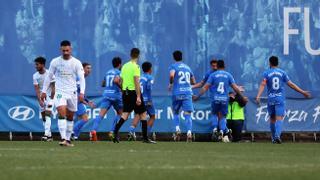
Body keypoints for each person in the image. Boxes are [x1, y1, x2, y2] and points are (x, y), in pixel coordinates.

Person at [256, 56, 310, 144]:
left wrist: (258, 96)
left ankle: (273, 138)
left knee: (272, 119)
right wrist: (302, 92)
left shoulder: (266, 73)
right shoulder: (282, 73)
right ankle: (277, 136)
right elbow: (291, 84)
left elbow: (262, 84)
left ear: (269, 63)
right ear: (278, 63)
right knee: (279, 118)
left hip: (271, 98)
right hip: (279, 98)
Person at [41, 40, 85, 147]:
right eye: (63, 50)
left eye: (67, 50)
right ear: (60, 49)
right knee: (61, 112)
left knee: (70, 116)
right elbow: (49, 76)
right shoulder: (55, 62)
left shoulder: (76, 63)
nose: (65, 52)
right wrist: (43, 91)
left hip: (72, 92)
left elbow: (82, 78)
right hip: (60, 91)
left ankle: (68, 139)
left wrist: (82, 92)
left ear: (71, 49)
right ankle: (63, 138)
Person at [193, 60, 244, 143]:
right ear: (224, 66)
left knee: (214, 114)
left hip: (215, 98)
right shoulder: (228, 75)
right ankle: (223, 132)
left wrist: (197, 96)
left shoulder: (213, 75)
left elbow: (205, 87)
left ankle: (215, 130)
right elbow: (235, 87)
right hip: (224, 99)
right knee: (222, 116)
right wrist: (242, 96)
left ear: (217, 66)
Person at [111, 48, 155, 143]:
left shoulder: (124, 66)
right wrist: (138, 96)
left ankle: (115, 132)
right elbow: (136, 82)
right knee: (143, 114)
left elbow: (120, 81)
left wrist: (123, 90)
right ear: (138, 56)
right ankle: (145, 138)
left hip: (125, 92)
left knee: (125, 114)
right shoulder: (136, 67)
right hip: (134, 93)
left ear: (130, 55)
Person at [90, 57, 123, 141]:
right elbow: (116, 81)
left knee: (101, 114)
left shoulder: (108, 72)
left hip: (106, 94)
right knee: (121, 114)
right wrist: (122, 88)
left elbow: (103, 84)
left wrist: (108, 84)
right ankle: (112, 131)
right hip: (116, 95)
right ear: (119, 64)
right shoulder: (119, 72)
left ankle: (93, 131)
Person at [169, 50, 196, 142]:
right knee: (188, 114)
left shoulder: (173, 66)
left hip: (177, 93)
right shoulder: (188, 68)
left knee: (176, 112)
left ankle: (177, 129)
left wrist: (171, 83)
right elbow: (194, 81)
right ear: (182, 57)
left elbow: (172, 75)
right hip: (187, 93)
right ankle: (189, 133)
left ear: (173, 58)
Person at [128, 61, 156, 141]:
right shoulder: (150, 77)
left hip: (138, 99)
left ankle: (130, 131)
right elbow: (149, 88)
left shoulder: (139, 77)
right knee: (152, 116)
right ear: (150, 69)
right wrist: (149, 100)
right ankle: (146, 134)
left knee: (137, 115)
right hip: (147, 100)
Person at [33, 56, 55, 141]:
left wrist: (52, 98)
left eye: (37, 64)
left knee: (48, 114)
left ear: (42, 64)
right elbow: (37, 90)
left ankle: (46, 135)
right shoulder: (35, 76)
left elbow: (54, 87)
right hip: (41, 98)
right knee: (44, 117)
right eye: (35, 64)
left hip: (50, 97)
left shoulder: (50, 74)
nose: (36, 66)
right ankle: (49, 136)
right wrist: (40, 100)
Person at [72, 63, 95, 140]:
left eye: (90, 68)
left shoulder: (82, 78)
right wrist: (84, 101)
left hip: (76, 100)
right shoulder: (79, 78)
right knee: (85, 119)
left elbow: (81, 93)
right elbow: (76, 92)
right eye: (87, 68)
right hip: (75, 100)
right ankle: (72, 133)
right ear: (83, 69)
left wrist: (87, 101)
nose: (89, 70)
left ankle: (75, 136)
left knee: (79, 119)